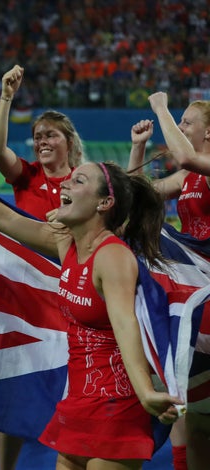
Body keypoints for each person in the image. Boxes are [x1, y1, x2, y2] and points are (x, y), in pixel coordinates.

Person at [0, 160, 183, 469]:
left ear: (104, 203)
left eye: (79, 181)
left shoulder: (113, 255)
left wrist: (146, 392)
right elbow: (4, 217)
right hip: (77, 405)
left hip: (116, 409)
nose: (65, 183)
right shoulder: (68, 244)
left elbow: (125, 324)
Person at [0, 64, 84, 469]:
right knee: (14, 389)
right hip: (24, 298)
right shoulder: (25, 177)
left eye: (50, 135)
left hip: (70, 299)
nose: (42, 141)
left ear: (68, 141)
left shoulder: (85, 181)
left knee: (70, 390)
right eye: (38, 136)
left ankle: (70, 459)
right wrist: (6, 98)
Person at [127, 91, 210, 469]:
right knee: (184, 398)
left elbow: (187, 155)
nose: (179, 127)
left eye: (186, 123)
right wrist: (139, 149)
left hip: (206, 289)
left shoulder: (198, 163)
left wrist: (160, 107)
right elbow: (140, 196)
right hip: (196, 292)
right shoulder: (188, 176)